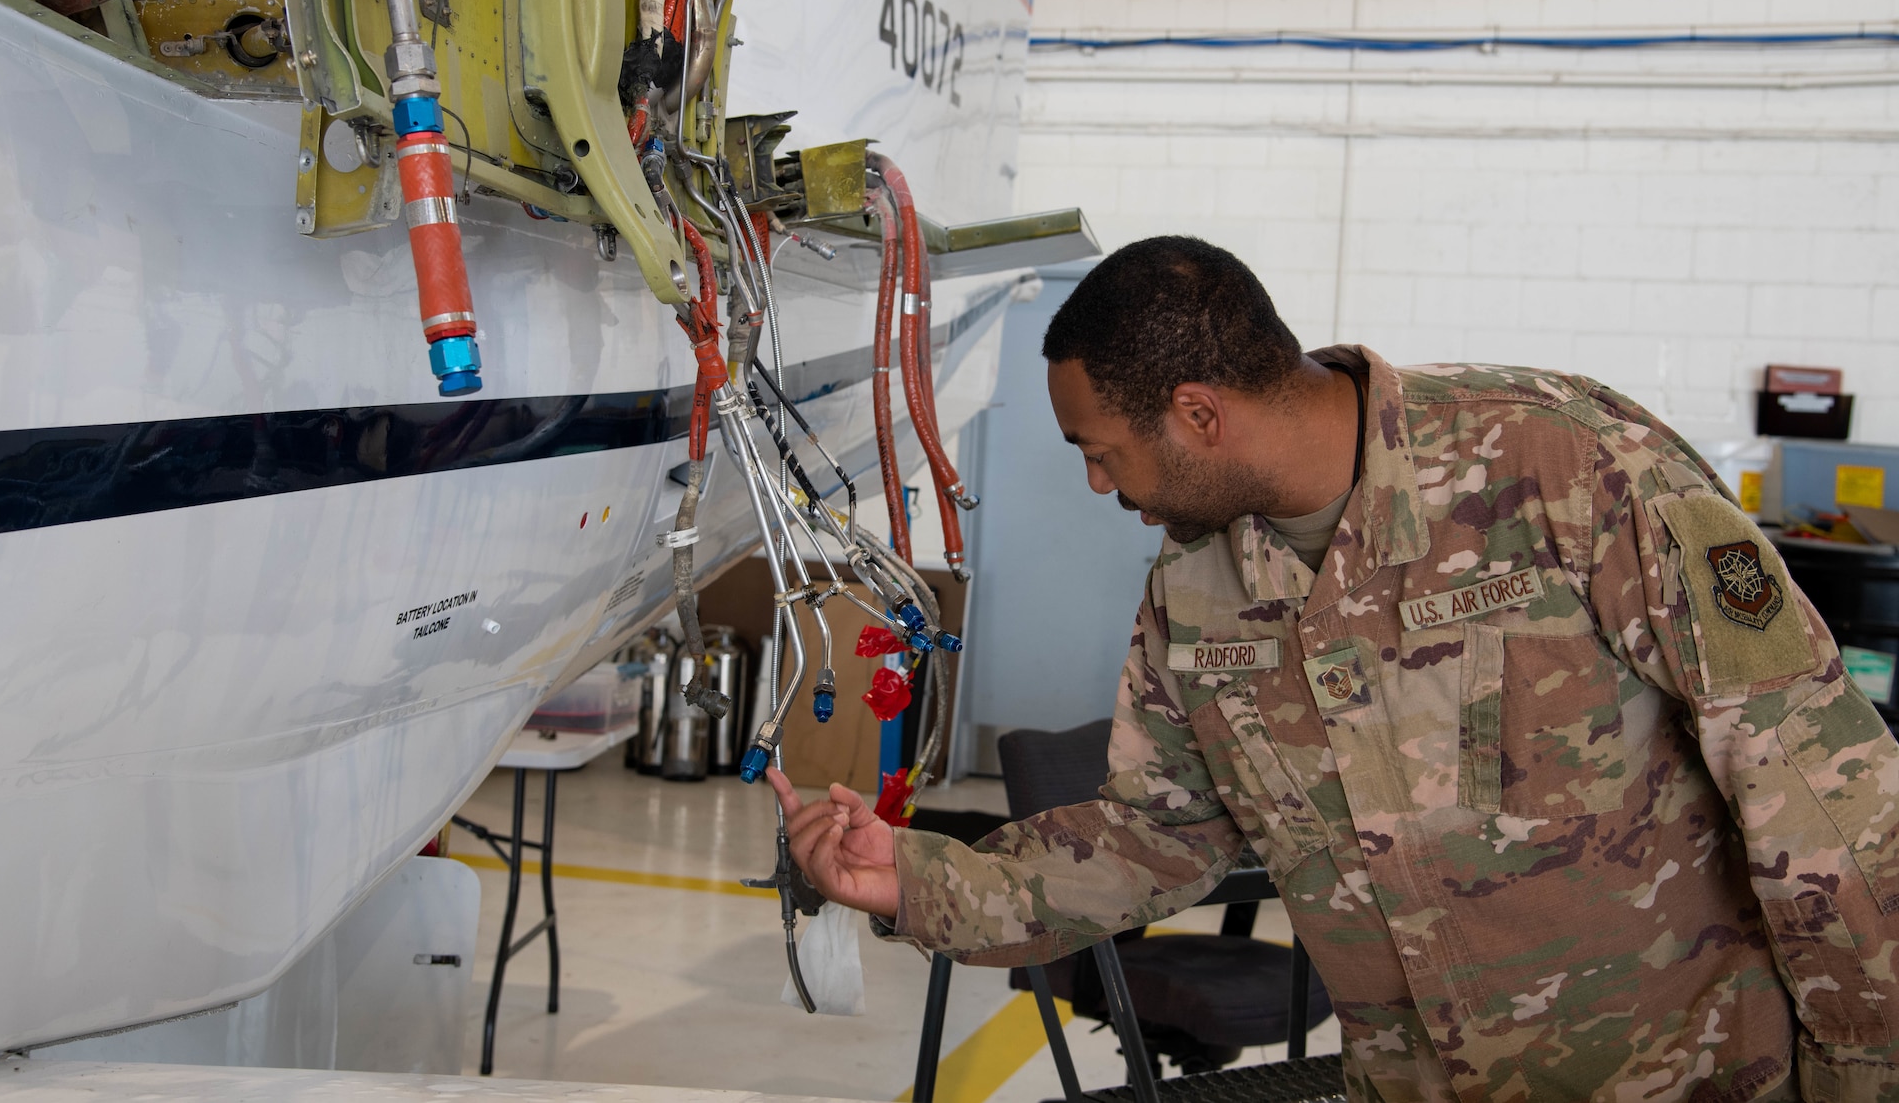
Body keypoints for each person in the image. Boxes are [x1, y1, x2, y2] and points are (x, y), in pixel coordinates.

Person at [769, 235, 1899, 1102]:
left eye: (1099, 452)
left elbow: (1820, 793)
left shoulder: (1565, 468)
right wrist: (913, 877)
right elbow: (1158, 834)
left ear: (1196, 413)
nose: (1100, 489)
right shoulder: (1197, 585)